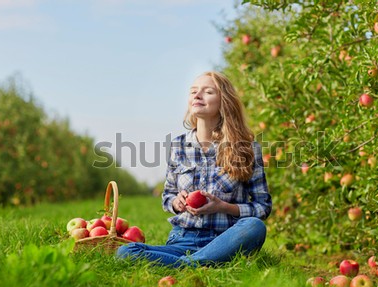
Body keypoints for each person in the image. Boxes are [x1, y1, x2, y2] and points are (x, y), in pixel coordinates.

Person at [116, 71, 272, 267]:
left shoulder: (247, 148)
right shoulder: (178, 146)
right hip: (183, 240)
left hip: (225, 240)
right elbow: (168, 196)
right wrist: (176, 202)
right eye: (193, 91)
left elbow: (262, 207)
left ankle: (184, 264)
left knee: (255, 226)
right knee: (125, 251)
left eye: (207, 91)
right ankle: (195, 264)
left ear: (224, 102)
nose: (197, 95)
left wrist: (223, 207)